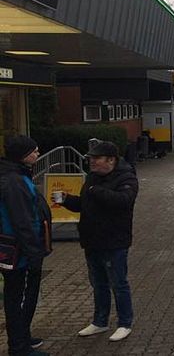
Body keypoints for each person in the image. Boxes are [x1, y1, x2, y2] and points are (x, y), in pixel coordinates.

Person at [61, 141, 138, 342]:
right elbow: (84, 204)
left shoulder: (126, 177)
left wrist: (96, 191)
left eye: (96, 159)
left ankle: (124, 323)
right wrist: (67, 200)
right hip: (92, 240)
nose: (92, 162)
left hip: (114, 241)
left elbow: (123, 201)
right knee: (98, 284)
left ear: (111, 160)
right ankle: (100, 321)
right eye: (91, 158)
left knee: (118, 283)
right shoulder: (92, 178)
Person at [0, 136, 51, 356]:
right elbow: (22, 220)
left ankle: (22, 336)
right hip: (18, 249)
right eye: (34, 151)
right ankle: (19, 347)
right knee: (18, 296)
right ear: (22, 155)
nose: (38, 154)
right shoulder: (14, 181)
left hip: (19, 247)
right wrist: (34, 252)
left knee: (19, 295)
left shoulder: (17, 175)